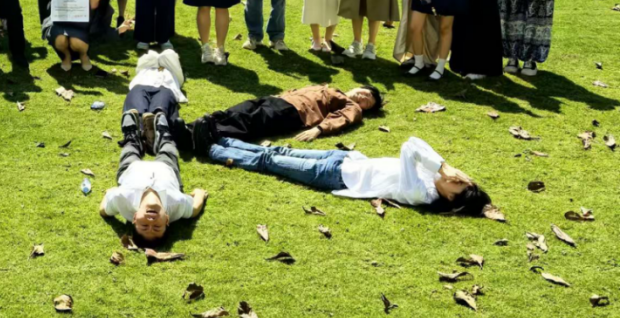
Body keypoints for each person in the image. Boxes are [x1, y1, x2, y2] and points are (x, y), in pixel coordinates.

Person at [208, 136, 491, 216]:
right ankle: (225, 140)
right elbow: (417, 142)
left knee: (269, 161)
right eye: (460, 179)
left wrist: (443, 167)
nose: (453, 179)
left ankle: (212, 149)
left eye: (456, 185)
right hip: (345, 159)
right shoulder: (435, 177)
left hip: (333, 176)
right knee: (279, 150)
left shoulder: (422, 193)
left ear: (450, 199)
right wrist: (444, 166)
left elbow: (408, 147)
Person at [99, 107, 207, 247]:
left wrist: (109, 193)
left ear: (135, 218)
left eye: (144, 225)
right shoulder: (177, 204)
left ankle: (132, 135)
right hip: (166, 168)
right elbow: (194, 209)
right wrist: (200, 194)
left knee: (130, 148)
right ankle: (163, 134)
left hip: (131, 169)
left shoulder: (121, 199)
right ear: (167, 220)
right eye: (157, 227)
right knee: (168, 147)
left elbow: (103, 211)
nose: (151, 221)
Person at [177, 84, 382, 155]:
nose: (363, 98)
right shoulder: (331, 88)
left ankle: (201, 139)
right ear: (359, 87)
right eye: (365, 93)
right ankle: (189, 128)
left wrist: (319, 129)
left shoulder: (353, 107)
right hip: (280, 100)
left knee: (251, 121)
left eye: (368, 102)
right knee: (238, 111)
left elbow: (342, 118)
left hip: (295, 112)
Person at [44, 0, 116, 72]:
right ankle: (66, 56)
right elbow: (50, 9)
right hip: (62, 28)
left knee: (76, 39)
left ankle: (83, 55)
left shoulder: (107, 10)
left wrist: (119, 30)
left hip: (81, 38)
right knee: (60, 37)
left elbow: (102, 34)